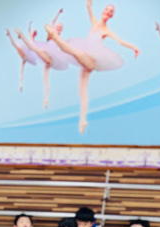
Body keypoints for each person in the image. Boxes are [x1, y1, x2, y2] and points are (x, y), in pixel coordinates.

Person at [45, 1, 139, 133]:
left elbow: (120, 42)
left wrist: (134, 48)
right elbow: (89, 7)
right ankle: (82, 121)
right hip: (84, 60)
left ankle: (55, 37)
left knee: (75, 51)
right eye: (107, 9)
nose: (108, 12)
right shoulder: (94, 22)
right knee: (82, 92)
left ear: (111, 16)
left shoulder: (107, 31)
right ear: (103, 11)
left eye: (111, 11)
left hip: (92, 60)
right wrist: (89, 3)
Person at [16, 13, 77, 108]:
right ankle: (45, 99)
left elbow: (63, 47)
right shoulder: (51, 35)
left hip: (52, 57)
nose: (59, 28)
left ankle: (46, 99)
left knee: (46, 80)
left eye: (61, 27)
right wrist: (58, 14)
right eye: (58, 26)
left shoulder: (59, 38)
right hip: (46, 53)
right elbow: (52, 22)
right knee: (44, 76)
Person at [5, 24, 42, 93]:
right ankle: (25, 36)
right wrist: (21, 85)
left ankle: (24, 36)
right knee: (29, 44)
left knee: (30, 44)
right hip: (29, 55)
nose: (18, 52)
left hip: (29, 53)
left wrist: (9, 34)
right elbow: (21, 73)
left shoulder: (25, 52)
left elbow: (14, 44)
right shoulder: (24, 58)